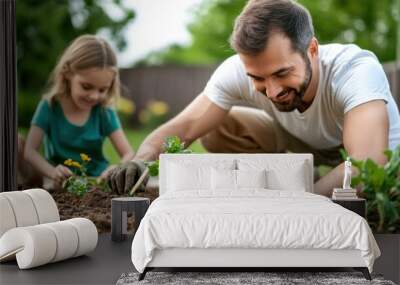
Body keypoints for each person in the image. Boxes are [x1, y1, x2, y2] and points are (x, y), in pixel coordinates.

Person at [107, 0, 400, 197]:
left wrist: (303, 198)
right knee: (217, 128)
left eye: (282, 73)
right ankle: (291, 176)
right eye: (258, 78)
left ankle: (297, 185)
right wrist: (141, 160)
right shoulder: (238, 70)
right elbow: (186, 126)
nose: (272, 91)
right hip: (298, 142)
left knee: (372, 189)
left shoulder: (355, 69)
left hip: (371, 156)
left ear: (312, 50)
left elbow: (366, 164)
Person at [22, 35, 135, 190]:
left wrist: (116, 169)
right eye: (86, 87)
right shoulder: (49, 107)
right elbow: (29, 151)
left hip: (98, 186)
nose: (94, 96)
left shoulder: (104, 112)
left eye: (102, 89)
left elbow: (128, 153)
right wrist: (53, 172)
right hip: (60, 185)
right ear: (68, 73)